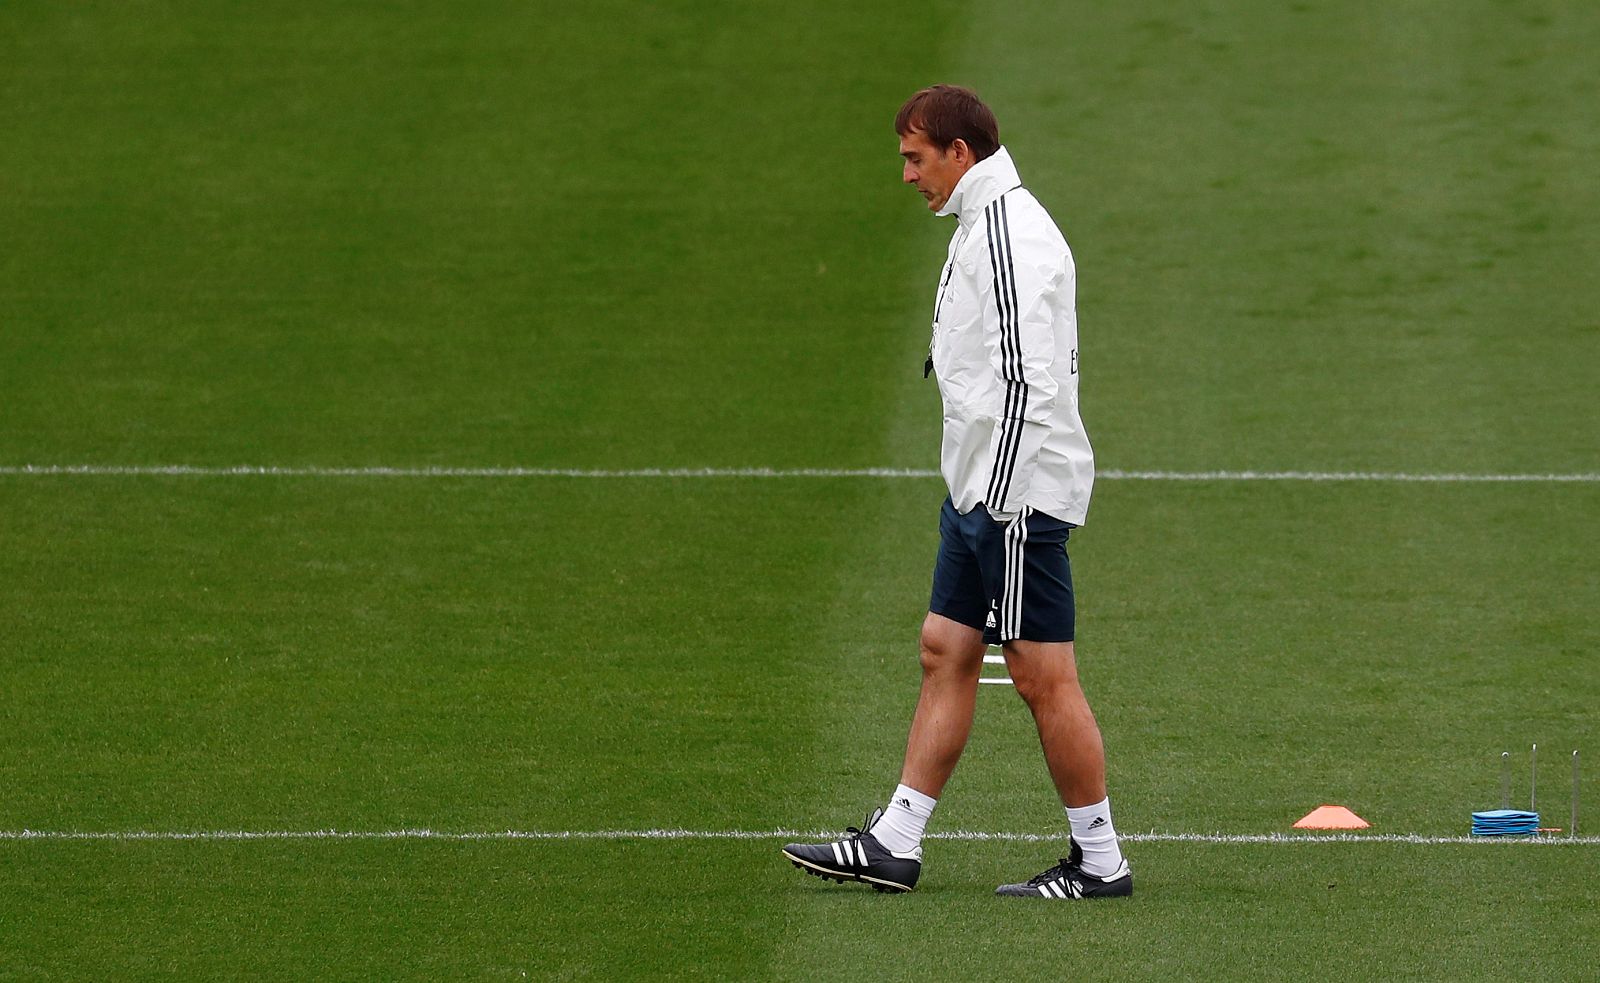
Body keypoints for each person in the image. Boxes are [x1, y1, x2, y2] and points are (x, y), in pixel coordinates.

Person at [783, 85, 1131, 899]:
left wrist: (1001, 505)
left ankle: (1100, 859)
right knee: (946, 647)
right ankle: (895, 842)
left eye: (915, 157)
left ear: (958, 153)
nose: (907, 175)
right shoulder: (982, 221)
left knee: (1044, 676)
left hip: (1015, 496)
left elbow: (1027, 383)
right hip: (980, 490)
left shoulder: (1011, 235)